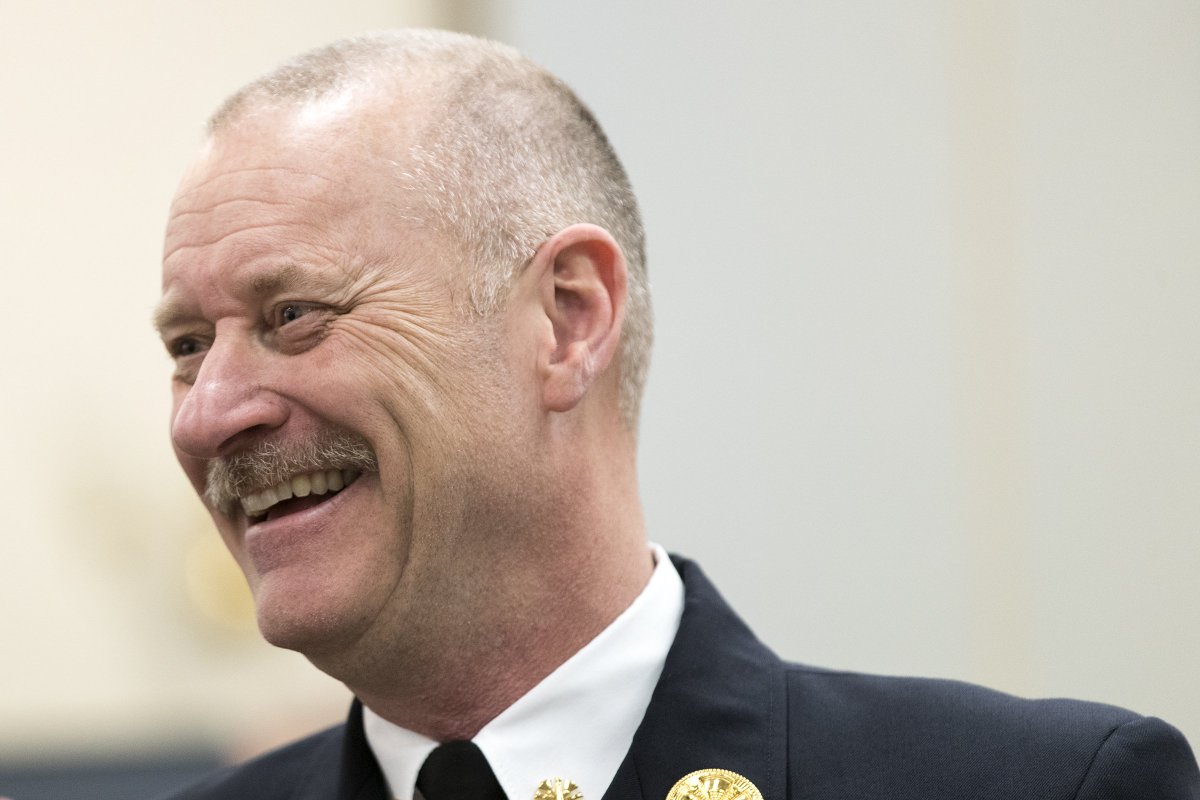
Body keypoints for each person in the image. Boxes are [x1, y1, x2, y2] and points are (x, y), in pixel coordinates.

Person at [153, 29, 1199, 800]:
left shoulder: (1046, 786)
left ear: (567, 320)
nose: (208, 416)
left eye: (293, 315)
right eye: (187, 346)